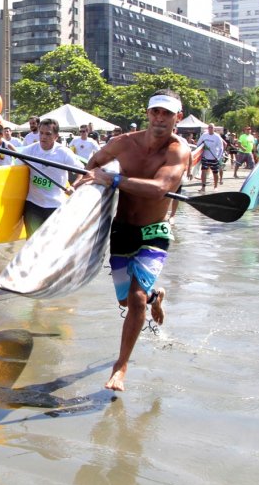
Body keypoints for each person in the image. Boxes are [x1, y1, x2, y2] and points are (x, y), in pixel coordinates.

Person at [76, 91, 187, 391]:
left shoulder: (177, 151)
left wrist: (112, 179)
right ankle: (155, 296)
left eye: (167, 113)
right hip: (122, 229)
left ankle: (120, 366)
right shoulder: (123, 143)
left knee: (135, 299)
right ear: (148, 113)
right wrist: (83, 183)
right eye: (155, 112)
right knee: (126, 300)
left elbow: (159, 188)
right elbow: (93, 163)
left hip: (154, 231)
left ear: (178, 116)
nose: (160, 118)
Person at [19, 117, 80, 235]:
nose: (43, 137)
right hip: (33, 205)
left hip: (55, 206)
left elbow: (81, 173)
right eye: (41, 133)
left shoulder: (64, 153)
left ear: (56, 136)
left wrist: (74, 186)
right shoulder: (29, 150)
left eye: (48, 134)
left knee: (51, 243)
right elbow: (14, 171)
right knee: (32, 242)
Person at [197, 123, 226, 191]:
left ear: (214, 129)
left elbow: (221, 148)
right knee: (203, 171)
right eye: (209, 127)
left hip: (214, 157)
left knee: (215, 172)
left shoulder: (217, 136)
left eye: (211, 127)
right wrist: (203, 146)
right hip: (205, 157)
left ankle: (215, 186)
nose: (210, 129)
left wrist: (218, 157)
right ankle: (203, 187)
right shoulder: (204, 135)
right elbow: (198, 144)